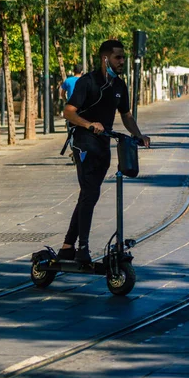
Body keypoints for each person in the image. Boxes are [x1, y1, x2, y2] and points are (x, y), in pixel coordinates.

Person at [58, 40, 150, 263]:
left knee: (89, 195)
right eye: (118, 57)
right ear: (105, 58)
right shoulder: (87, 82)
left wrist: (139, 135)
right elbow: (68, 112)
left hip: (103, 144)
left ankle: (67, 247)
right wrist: (89, 124)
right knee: (90, 193)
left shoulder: (119, 85)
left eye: (123, 58)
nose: (122, 62)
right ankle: (83, 249)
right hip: (83, 142)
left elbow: (126, 115)